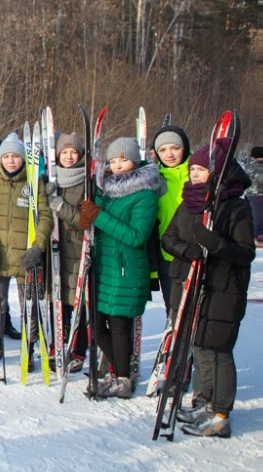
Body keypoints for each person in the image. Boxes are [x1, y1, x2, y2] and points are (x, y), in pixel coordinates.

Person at [161, 138, 254, 437]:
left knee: (218, 349)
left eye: (201, 170)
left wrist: (213, 243)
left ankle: (221, 413)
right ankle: (204, 399)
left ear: (217, 172)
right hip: (192, 284)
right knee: (199, 345)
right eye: (193, 170)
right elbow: (168, 238)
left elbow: (245, 252)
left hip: (223, 290)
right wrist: (189, 250)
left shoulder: (236, 207)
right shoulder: (189, 204)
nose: (195, 175)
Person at [78, 137, 163, 398]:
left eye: (123, 159)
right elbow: (92, 225)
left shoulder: (146, 195)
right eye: (113, 160)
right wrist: (88, 214)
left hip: (126, 270)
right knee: (97, 325)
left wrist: (99, 216)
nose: (117, 165)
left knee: (118, 325)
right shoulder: (108, 190)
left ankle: (123, 378)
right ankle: (121, 369)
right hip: (104, 269)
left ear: (135, 161)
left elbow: (137, 236)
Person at [0, 132, 52, 369]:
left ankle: (28, 348)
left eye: (15, 156)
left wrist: (38, 248)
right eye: (6, 156)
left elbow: (46, 216)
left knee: (28, 305)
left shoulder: (33, 182)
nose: (11, 161)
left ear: (23, 159)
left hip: (25, 256)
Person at [45, 132, 87, 371]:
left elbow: (84, 220)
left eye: (73, 152)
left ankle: (78, 348)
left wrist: (60, 206)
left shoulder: (87, 182)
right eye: (64, 152)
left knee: (77, 301)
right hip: (55, 249)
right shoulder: (51, 180)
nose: (69, 157)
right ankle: (57, 342)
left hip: (78, 247)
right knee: (56, 299)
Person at [151, 125, 191, 312]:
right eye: (163, 150)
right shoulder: (154, 180)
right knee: (174, 312)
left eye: (175, 148)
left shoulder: (198, 173)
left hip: (197, 256)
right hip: (168, 257)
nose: (169, 154)